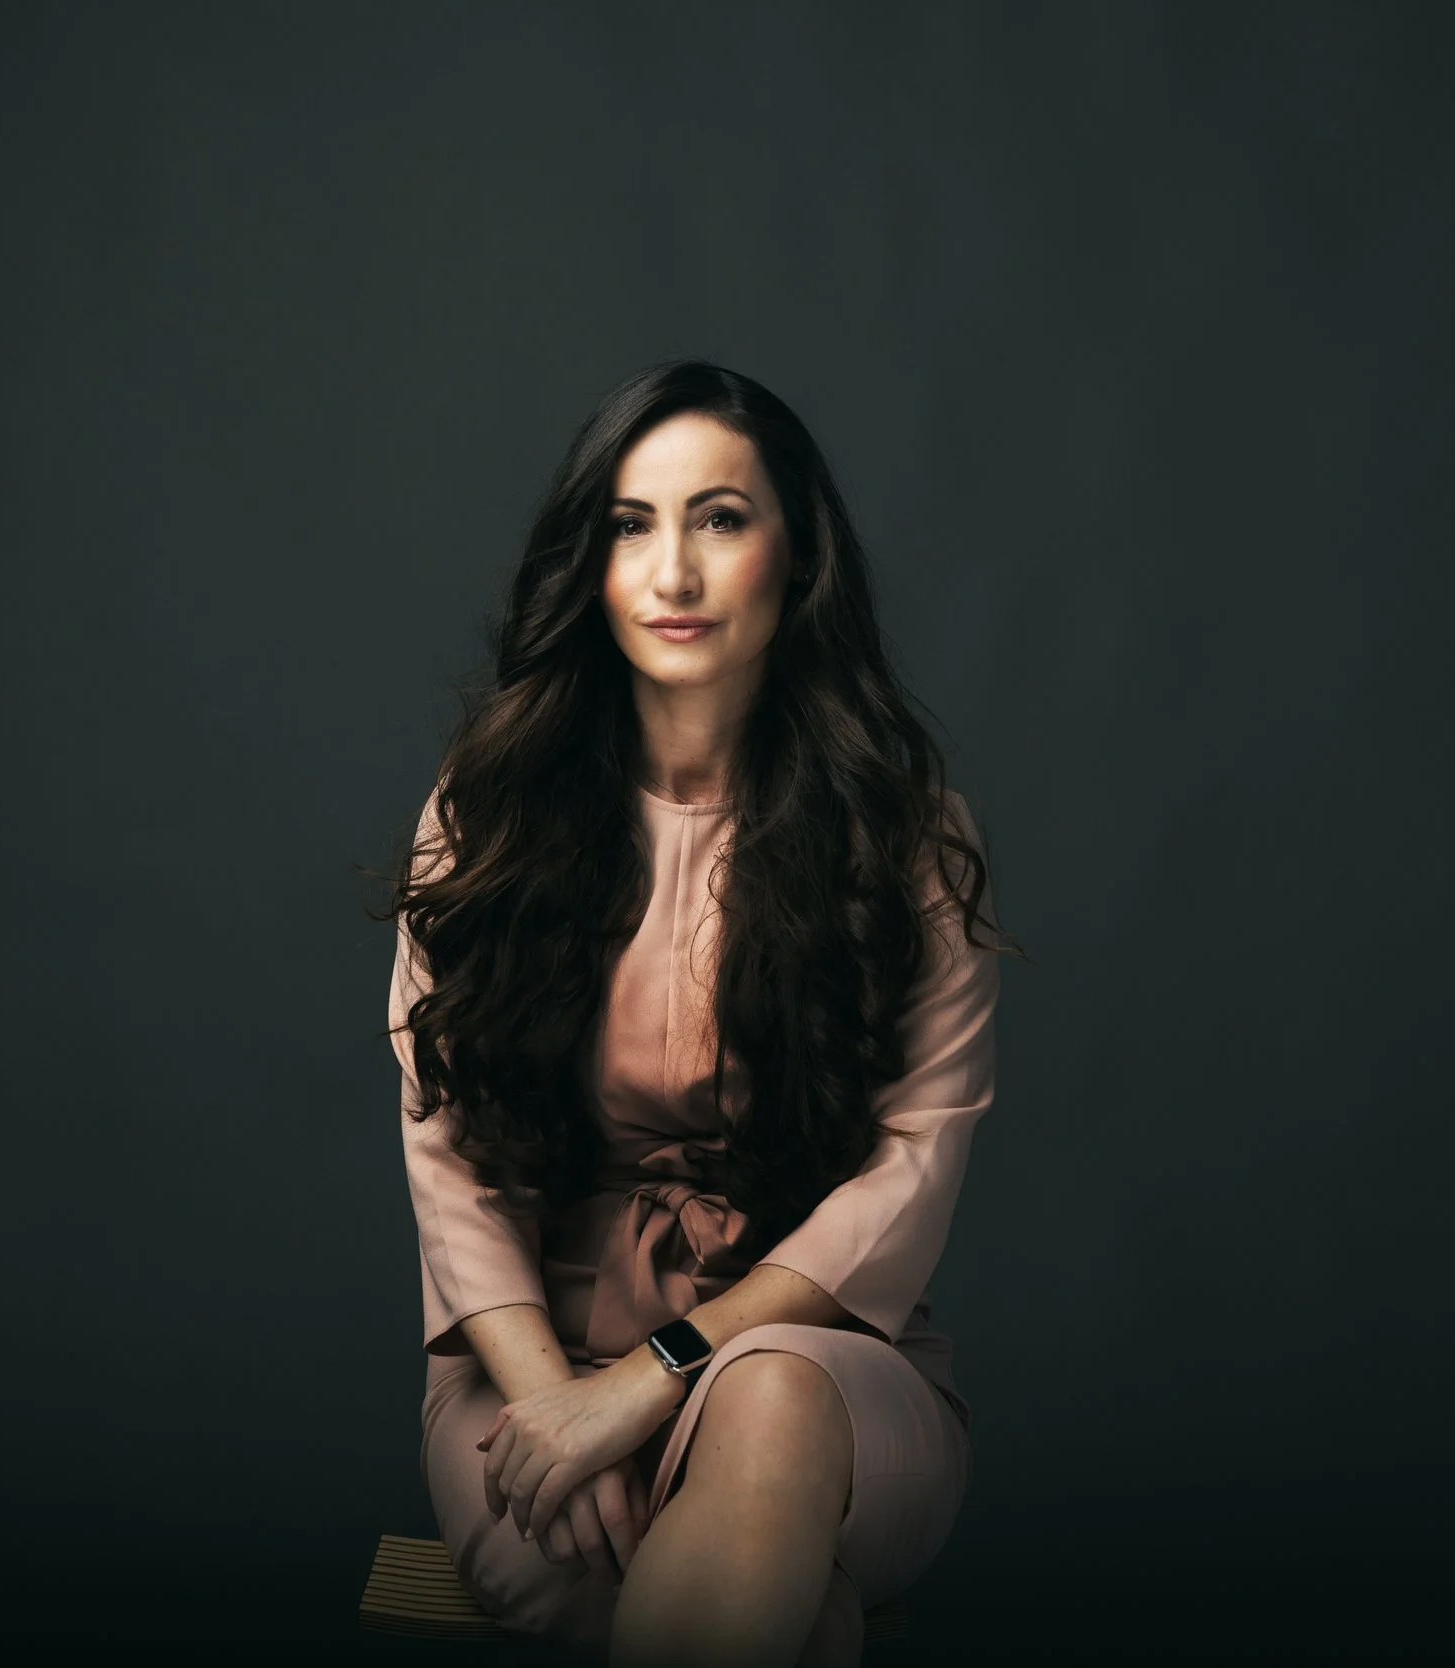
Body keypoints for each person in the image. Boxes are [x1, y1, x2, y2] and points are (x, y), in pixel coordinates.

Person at [381, 360, 1012, 1667]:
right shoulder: (486, 821)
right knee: (794, 1620)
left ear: (798, 558)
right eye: (630, 523)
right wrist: (562, 1408)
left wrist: (654, 1375)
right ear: (591, 562)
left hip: (818, 1367)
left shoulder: (906, 839)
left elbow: (913, 1166)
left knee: (771, 1406)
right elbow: (452, 1171)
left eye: (720, 518)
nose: (671, 571)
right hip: (527, 1378)